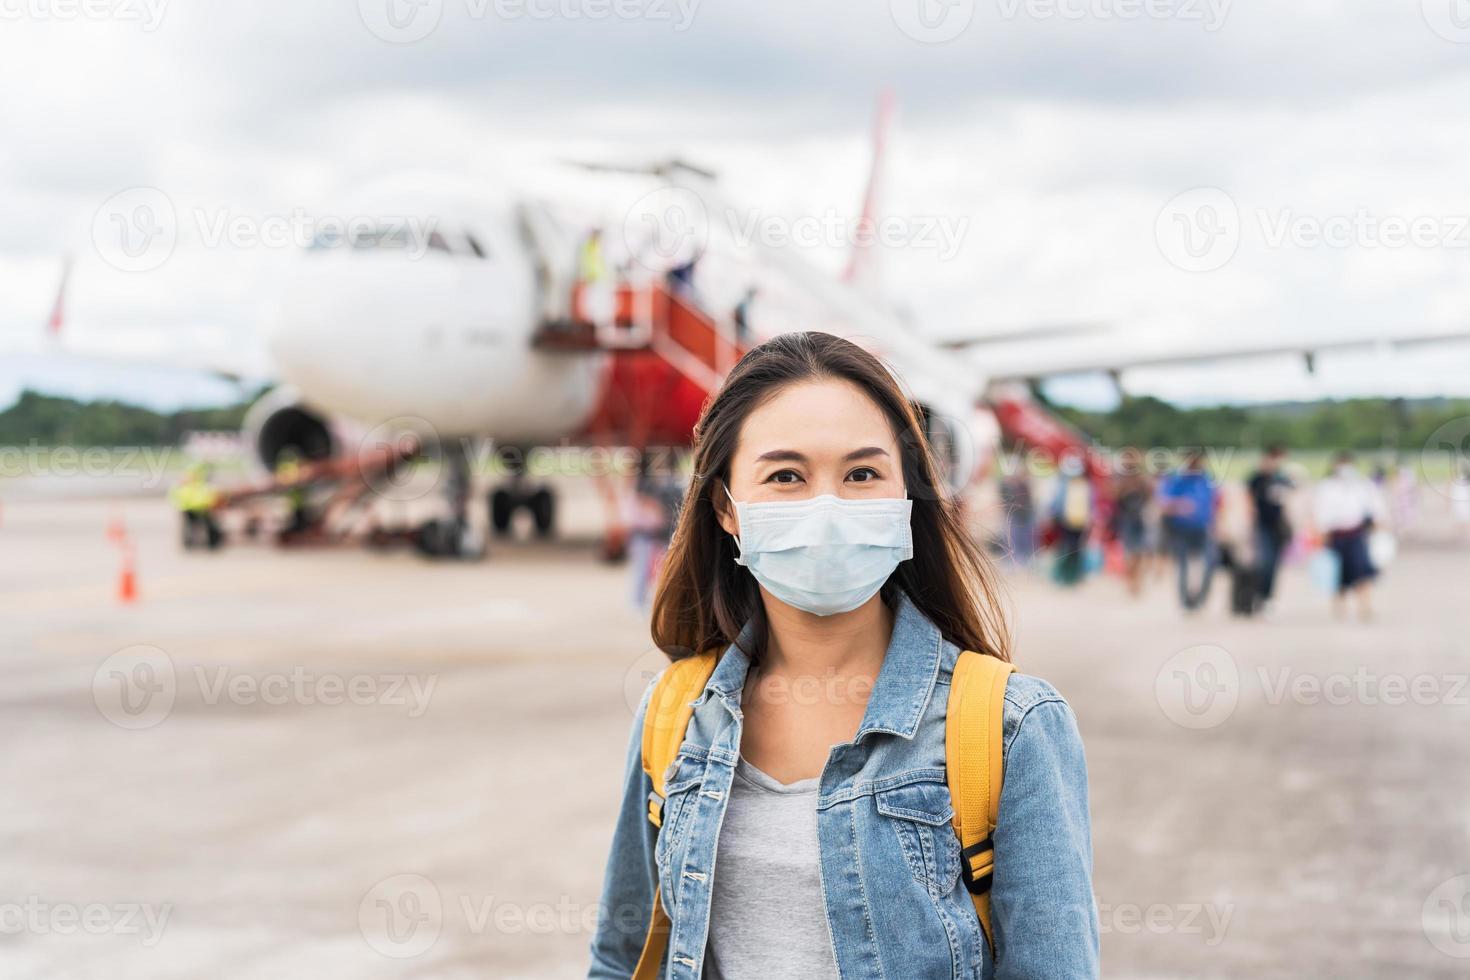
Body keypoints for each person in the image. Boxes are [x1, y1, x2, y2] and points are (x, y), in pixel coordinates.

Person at [589, 332, 1097, 979]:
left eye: (862, 474)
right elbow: (620, 956)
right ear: (726, 508)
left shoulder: (1012, 728)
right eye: (785, 476)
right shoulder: (677, 712)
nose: (826, 507)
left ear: (906, 497)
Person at [1314, 452, 1385, 620]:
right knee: (1338, 574)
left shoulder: (1362, 485)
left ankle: (1365, 607)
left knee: (1363, 572)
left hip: (1356, 534)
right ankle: (1339, 606)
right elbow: (1321, 513)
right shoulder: (1327, 487)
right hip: (1335, 535)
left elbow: (1375, 508)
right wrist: (1322, 535)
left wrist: (1379, 527)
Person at [1158, 451, 1218, 612]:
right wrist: (1179, 506)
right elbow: (1163, 503)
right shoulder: (1176, 478)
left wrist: (1217, 525)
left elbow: (1216, 502)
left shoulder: (1206, 478)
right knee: (1183, 566)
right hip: (1180, 528)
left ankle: (1200, 599)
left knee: (1210, 563)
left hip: (1203, 528)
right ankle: (1185, 600)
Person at [1245, 445, 1293, 611]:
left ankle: (1267, 598)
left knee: (1273, 564)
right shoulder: (1258, 477)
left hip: (1278, 526)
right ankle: (1257, 595)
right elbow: (1249, 497)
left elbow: (1290, 496)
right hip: (1262, 525)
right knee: (1264, 562)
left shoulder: (1282, 478)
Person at [1049, 456, 1093, 587]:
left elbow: (1089, 504)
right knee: (1069, 548)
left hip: (1078, 522)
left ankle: (1072, 575)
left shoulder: (1081, 485)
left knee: (1073, 549)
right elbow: (1056, 504)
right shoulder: (1068, 484)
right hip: (1066, 522)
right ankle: (1066, 575)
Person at [1110, 463, 1153, 597]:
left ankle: (1135, 581)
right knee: (1130, 554)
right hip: (1126, 521)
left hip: (1139, 521)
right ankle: (1131, 582)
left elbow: (1149, 496)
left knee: (1139, 554)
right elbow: (1114, 499)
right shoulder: (1121, 484)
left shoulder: (1142, 483)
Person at [169, 462, 223, 550]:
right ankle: (210, 543)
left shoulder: (187, 486)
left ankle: (202, 542)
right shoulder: (201, 485)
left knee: (193, 527)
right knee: (205, 525)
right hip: (198, 510)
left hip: (196, 509)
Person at [998, 461, 1037, 568]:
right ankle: (1012, 560)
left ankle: (1024, 559)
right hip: (1013, 515)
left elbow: (1028, 500)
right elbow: (1004, 500)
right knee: (1011, 538)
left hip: (1024, 515)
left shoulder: (1024, 485)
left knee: (1024, 538)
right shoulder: (1006, 486)